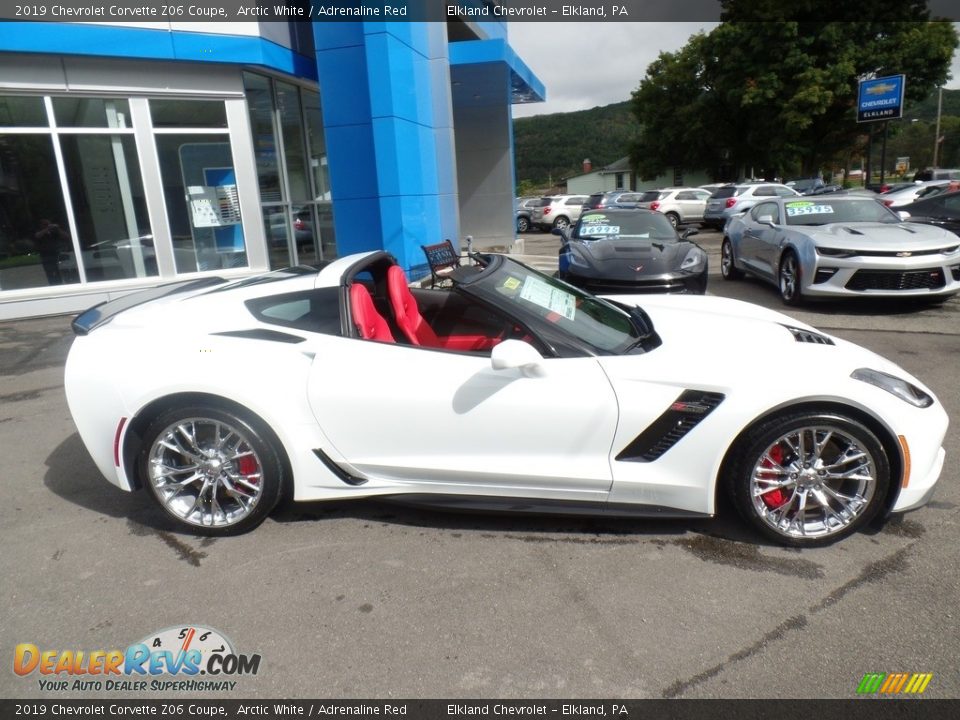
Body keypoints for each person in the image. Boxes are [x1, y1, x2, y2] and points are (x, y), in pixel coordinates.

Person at [34, 219, 68, 285]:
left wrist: (58, 229)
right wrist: (47, 229)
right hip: (45, 256)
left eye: (48, 224)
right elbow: (37, 236)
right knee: (50, 272)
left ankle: (60, 284)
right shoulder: (40, 231)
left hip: (57, 254)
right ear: (41, 225)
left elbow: (66, 236)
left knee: (59, 271)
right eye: (45, 224)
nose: (47, 225)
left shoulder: (54, 231)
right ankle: (52, 284)